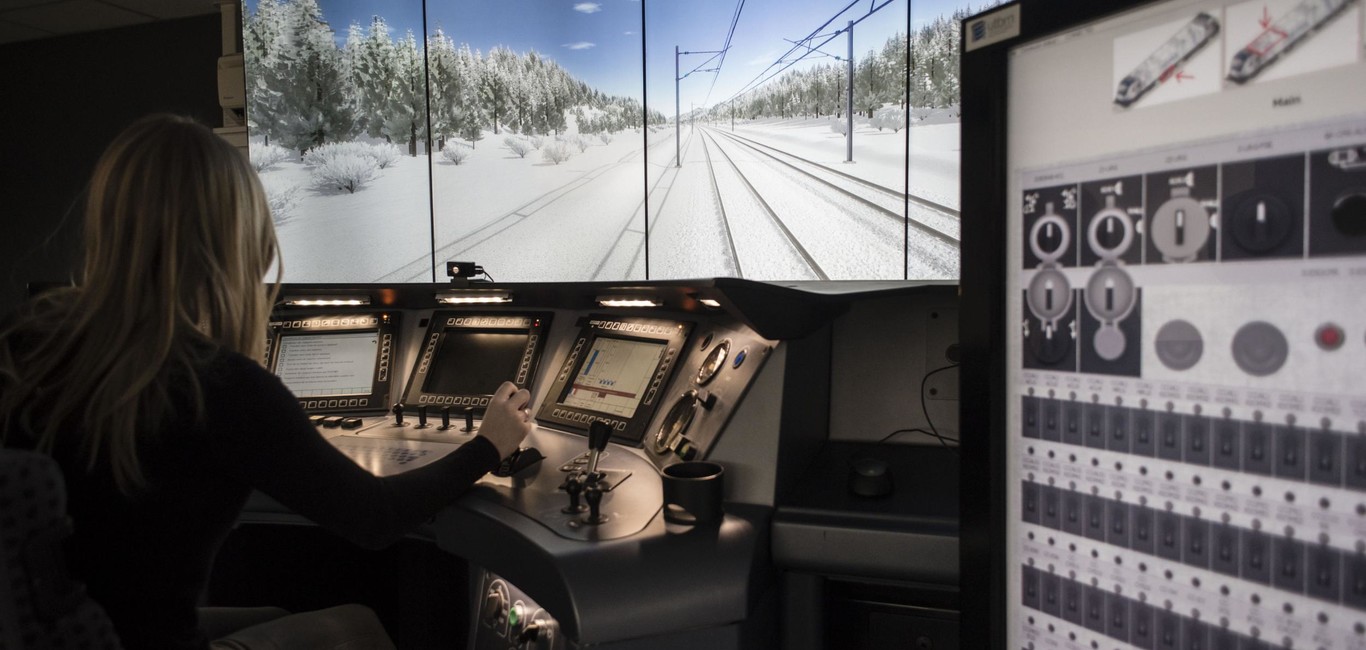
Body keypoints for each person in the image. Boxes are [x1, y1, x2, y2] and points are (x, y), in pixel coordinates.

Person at [0, 114, 534, 649]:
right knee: (356, 628)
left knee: (274, 614)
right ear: (237, 237)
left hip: (58, 632)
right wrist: (488, 445)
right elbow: (374, 518)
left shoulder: (25, 345)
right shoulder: (218, 387)